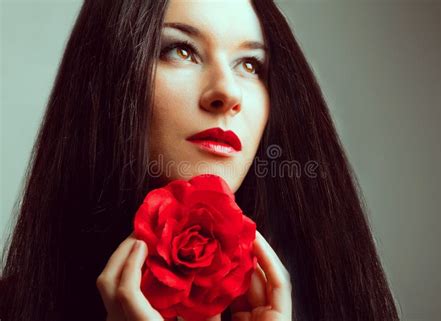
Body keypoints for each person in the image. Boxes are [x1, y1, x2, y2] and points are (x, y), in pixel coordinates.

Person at [0, 0, 401, 320]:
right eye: (181, 50)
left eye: (250, 64)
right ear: (108, 78)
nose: (227, 93)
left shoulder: (331, 300)